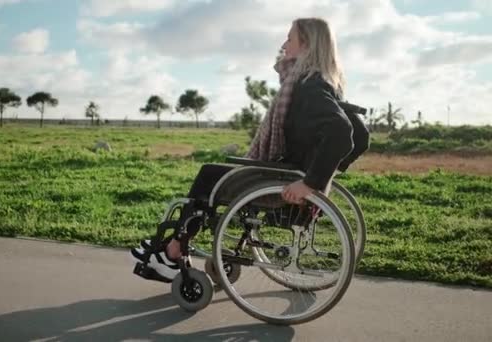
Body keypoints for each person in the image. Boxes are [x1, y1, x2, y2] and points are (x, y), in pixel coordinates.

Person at [130, 17, 370, 282]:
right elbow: (361, 137)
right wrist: (322, 171)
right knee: (213, 175)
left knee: (209, 175)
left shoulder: (309, 86)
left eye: (289, 38)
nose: (284, 44)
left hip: (284, 176)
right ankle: (175, 249)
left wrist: (311, 182)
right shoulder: (323, 82)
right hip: (289, 169)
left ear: (307, 45)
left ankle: (173, 251)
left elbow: (342, 135)